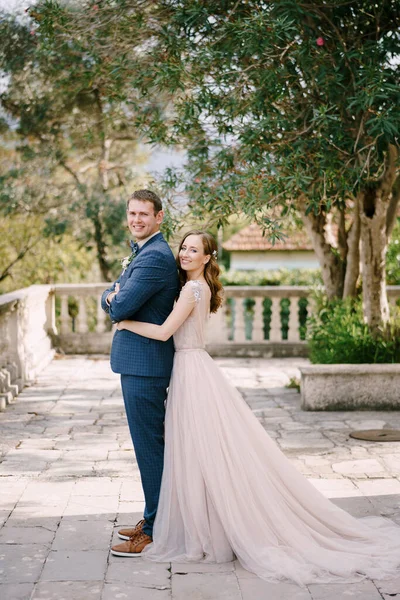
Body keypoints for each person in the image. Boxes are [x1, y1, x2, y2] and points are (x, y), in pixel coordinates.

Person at [111, 229, 400, 585]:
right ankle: (195, 521)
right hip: (192, 369)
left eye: (193, 250)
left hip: (192, 371)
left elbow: (163, 332)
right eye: (183, 248)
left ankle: (202, 528)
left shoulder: (192, 289)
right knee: (197, 452)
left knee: (199, 450)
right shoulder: (195, 288)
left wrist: (125, 321)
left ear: (207, 257)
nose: (184, 254)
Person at [101, 189, 179, 557]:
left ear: (159, 217)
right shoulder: (143, 252)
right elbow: (109, 294)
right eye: (132, 213)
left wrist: (117, 298)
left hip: (146, 367)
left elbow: (120, 306)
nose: (136, 220)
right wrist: (114, 294)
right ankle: (153, 518)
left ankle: (154, 529)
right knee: (149, 448)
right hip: (139, 364)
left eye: (144, 214)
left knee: (150, 450)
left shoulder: (155, 258)